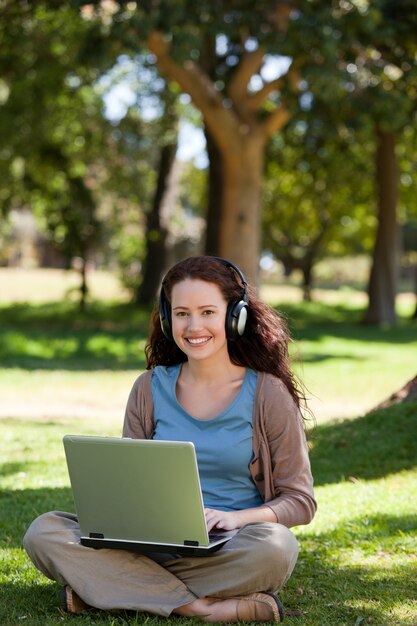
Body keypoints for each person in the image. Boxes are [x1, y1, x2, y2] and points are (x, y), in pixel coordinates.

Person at [23, 255, 316, 623]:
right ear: (167, 318)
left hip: (230, 546)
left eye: (208, 312)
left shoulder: (268, 394)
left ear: (234, 316)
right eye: (182, 313)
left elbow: (300, 501)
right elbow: (132, 481)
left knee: (278, 547)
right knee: (44, 531)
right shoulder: (149, 388)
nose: (194, 326)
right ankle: (197, 607)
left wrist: (237, 518)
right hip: (151, 546)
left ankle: (109, 589)